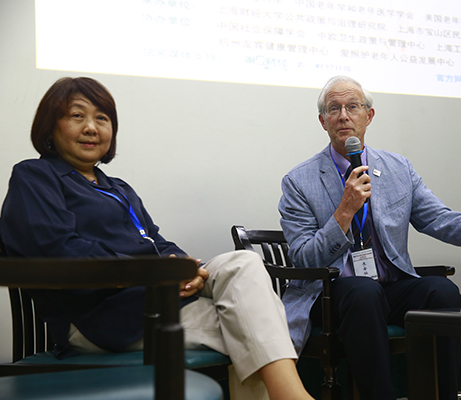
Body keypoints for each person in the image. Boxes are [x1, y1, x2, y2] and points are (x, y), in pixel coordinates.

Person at [0, 77, 313, 400]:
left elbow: (156, 243)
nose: (91, 128)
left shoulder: (118, 188)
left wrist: (186, 268)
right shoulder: (35, 176)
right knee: (253, 322)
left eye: (102, 118)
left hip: (155, 299)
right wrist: (152, 275)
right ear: (50, 126)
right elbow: (57, 250)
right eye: (77, 116)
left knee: (243, 262)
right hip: (101, 319)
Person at [278, 75, 461, 400]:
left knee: (442, 291)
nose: (344, 116)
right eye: (334, 109)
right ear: (323, 121)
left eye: (353, 107)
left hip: (387, 288)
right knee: (363, 292)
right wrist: (344, 211)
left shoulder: (398, 169)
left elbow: (439, 219)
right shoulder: (299, 181)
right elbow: (303, 258)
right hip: (331, 296)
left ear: (369, 115)